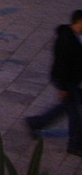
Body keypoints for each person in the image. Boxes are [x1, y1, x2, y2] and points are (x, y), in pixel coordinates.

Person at [25, 9, 82, 156]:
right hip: (65, 81)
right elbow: (61, 64)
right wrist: (63, 88)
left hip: (71, 81)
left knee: (67, 107)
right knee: (74, 112)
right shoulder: (66, 39)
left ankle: (36, 123)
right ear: (79, 22)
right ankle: (74, 145)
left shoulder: (75, 36)